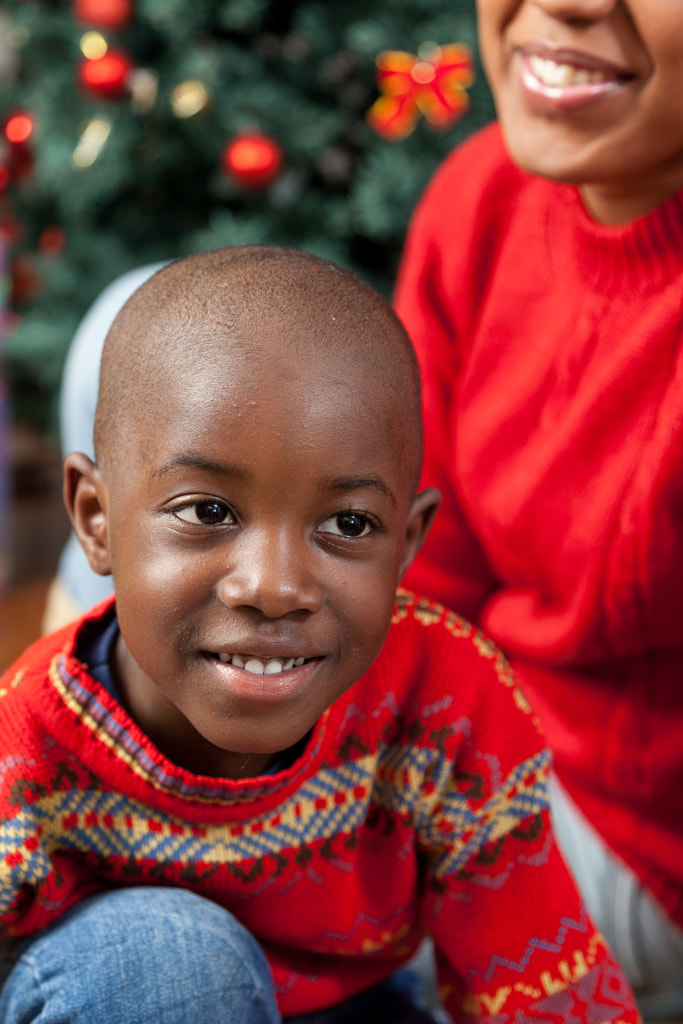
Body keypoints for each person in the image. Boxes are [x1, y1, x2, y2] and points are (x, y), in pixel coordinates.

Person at [0, 248, 639, 1024]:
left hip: (363, 1007)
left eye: (347, 525)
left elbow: (540, 979)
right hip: (138, 991)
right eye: (207, 511)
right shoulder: (24, 751)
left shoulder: (445, 702)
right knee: (174, 964)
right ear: (96, 519)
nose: (273, 587)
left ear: (404, 545)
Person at [394, 0, 683, 1014]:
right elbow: (420, 563)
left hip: (633, 837)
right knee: (140, 328)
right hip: (490, 718)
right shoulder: (483, 194)